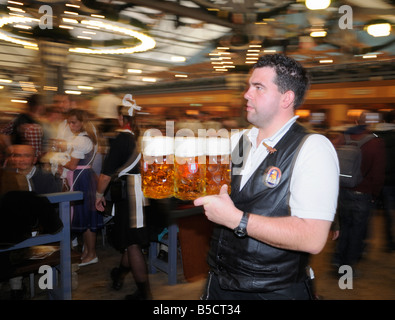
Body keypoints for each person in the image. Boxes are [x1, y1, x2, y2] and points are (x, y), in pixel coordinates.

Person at [193, 54, 339, 300]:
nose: (247, 94)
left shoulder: (313, 147)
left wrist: (237, 220)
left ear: (287, 98)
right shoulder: (239, 141)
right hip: (220, 281)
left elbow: (312, 238)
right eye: (249, 86)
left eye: (258, 87)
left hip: (272, 290)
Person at [95, 100, 151, 300]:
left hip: (130, 196)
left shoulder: (121, 139)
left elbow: (105, 176)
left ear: (120, 118)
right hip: (143, 194)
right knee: (130, 241)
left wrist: (98, 195)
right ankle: (119, 274)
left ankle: (144, 294)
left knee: (133, 244)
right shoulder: (140, 137)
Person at [3, 144, 62, 299]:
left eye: (26, 155)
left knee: (48, 250)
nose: (21, 159)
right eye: (17, 155)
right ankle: (16, 286)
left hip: (42, 229)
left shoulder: (45, 177)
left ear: (35, 159)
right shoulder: (6, 177)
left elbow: (53, 209)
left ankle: (48, 287)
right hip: (18, 232)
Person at [332, 112, 386, 273]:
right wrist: (374, 195)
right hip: (362, 195)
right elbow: (378, 174)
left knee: (343, 228)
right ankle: (347, 268)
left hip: (341, 191)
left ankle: (338, 259)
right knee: (357, 232)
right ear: (370, 124)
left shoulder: (342, 138)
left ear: (356, 121)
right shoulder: (375, 143)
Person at [59, 109, 102, 266]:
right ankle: (87, 252)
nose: (70, 125)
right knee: (85, 217)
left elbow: (72, 165)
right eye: (69, 122)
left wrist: (57, 160)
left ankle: (92, 253)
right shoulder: (84, 138)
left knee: (87, 219)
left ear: (82, 122)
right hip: (83, 177)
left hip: (81, 178)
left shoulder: (82, 140)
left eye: (74, 122)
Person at [374, 111, 395, 252]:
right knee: (389, 212)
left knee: (367, 213)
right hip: (391, 180)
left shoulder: (373, 135)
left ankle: (362, 244)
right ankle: (389, 242)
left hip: (374, 178)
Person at [0, 94, 45, 160]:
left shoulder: (43, 120)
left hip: (32, 158)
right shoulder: (21, 119)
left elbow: (4, 133)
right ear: (38, 106)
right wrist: (11, 149)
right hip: (26, 158)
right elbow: (4, 133)